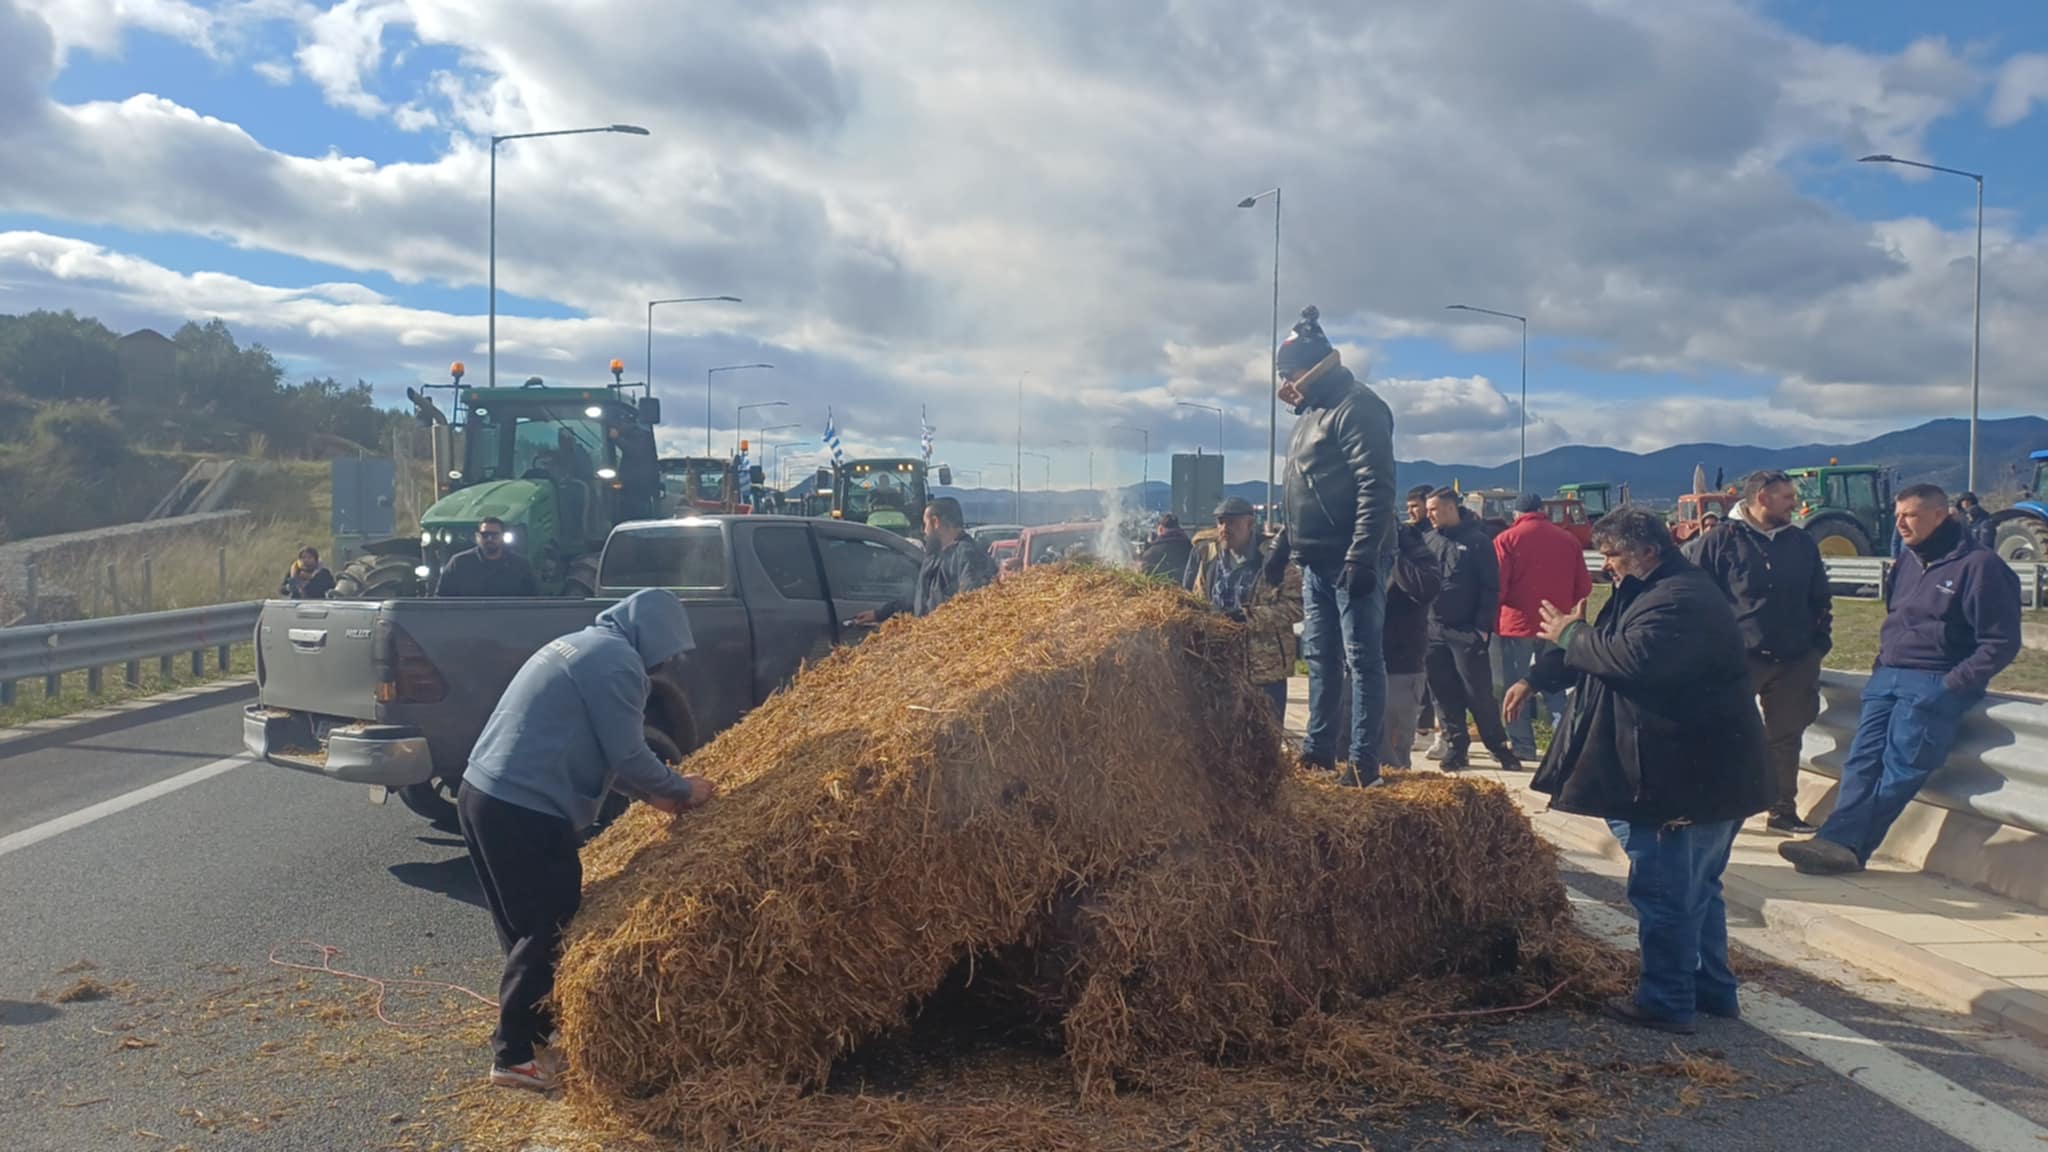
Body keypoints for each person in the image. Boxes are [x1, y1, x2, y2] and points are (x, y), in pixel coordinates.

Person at [1508, 507, 1768, 1033]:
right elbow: (1598, 640)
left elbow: (1628, 657)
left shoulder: (1680, 599)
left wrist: (1569, 634)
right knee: (1697, 888)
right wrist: (1540, 675)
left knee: (1666, 891)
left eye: (1614, 556)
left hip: (1685, 778)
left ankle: (1667, 1000)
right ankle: (1712, 991)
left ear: (1649, 550)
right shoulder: (1647, 588)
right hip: (1700, 774)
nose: (1607, 567)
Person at [459, 589, 716, 1091]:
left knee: (522, 925)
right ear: (656, 634)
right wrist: (684, 789)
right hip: (526, 806)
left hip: (483, 793)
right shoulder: (619, 663)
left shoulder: (583, 644)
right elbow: (628, 754)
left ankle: (531, 1041)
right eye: (668, 649)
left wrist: (651, 798)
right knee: (550, 921)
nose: (666, 661)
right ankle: (512, 1056)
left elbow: (598, 751)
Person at [1779, 484, 2023, 875]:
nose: (1900, 523)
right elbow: (1896, 615)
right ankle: (1836, 841)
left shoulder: (1980, 566)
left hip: (1934, 681)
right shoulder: (1907, 560)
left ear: (1940, 515)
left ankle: (1844, 845)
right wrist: (1881, 665)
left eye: (1910, 515)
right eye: (1897, 515)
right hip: (1888, 676)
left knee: (1902, 767)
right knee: (1861, 763)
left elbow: (2001, 641)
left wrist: (1952, 684)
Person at [1280, 305, 1398, 783]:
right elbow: (1303, 487)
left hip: (1351, 558)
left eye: (1289, 373)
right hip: (1316, 559)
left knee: (1362, 660)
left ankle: (1363, 761)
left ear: (1313, 368)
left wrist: (1363, 553)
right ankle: (1319, 749)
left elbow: (1376, 485)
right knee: (1321, 658)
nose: (1284, 384)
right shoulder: (1311, 414)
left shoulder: (1357, 407)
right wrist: (1281, 549)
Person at [1694, 471, 1833, 834]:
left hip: (1795, 659)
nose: (1793, 503)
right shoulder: (1719, 541)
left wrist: (1818, 645)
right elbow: (1694, 598)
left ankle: (1782, 810)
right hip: (1738, 658)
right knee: (1723, 733)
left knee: (1786, 737)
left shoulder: (1801, 543)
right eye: (1786, 497)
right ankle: (1712, 806)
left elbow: (1820, 597)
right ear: (1761, 499)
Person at [1422, 488, 1520, 772]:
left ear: (1451, 509)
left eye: (1434, 509)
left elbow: (1491, 587)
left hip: (1466, 631)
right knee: (1442, 691)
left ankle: (1498, 746)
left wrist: (1481, 628)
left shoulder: (1477, 542)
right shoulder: (1428, 541)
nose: (1429, 515)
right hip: (1433, 631)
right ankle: (1456, 745)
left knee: (1478, 692)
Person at [1494, 492, 1593, 763]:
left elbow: (1498, 587)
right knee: (1555, 683)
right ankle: (1562, 743)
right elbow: (1584, 587)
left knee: (1517, 687)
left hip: (1516, 624)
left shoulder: (1506, 539)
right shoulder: (1568, 539)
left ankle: (1522, 744)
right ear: (1543, 511)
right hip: (1556, 624)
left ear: (1516, 514)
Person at [1187, 498, 1302, 721]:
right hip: (1222, 668)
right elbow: (1198, 601)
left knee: (1266, 739)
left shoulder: (1273, 559)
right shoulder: (1209, 558)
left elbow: (1297, 605)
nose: (1224, 529)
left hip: (1265, 670)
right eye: (1220, 522)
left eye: (1231, 522)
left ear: (1250, 524)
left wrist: (1249, 618)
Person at [854, 497, 996, 623]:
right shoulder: (936, 556)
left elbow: (970, 604)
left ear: (935, 522)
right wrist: (880, 614)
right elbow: (920, 599)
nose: (924, 531)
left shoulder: (968, 555)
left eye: (925, 524)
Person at [1379, 516, 1443, 769]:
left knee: (1392, 753)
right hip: (1356, 664)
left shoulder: (1411, 544)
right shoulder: (1348, 542)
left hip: (1400, 662)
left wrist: (1393, 555)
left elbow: (1426, 588)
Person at [437, 518, 541, 597]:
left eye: (494, 535)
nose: (489, 539)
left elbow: (534, 600)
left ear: (503, 536)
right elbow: (440, 599)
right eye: (485, 535)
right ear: (477, 536)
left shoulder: (520, 566)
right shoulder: (459, 564)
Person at [1138, 514, 1193, 581]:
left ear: (1160, 529)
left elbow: (1144, 577)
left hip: (1160, 590)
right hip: (1186, 590)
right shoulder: (1190, 548)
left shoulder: (1151, 554)